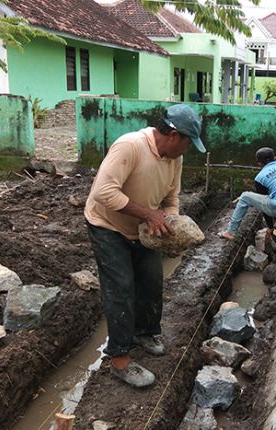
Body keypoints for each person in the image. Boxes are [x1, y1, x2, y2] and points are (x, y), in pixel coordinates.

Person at [84, 104, 206, 387]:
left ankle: (145, 332)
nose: (187, 150)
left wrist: (172, 225)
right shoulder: (130, 146)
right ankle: (119, 359)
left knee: (151, 280)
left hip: (142, 230)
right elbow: (103, 192)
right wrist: (149, 215)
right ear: (174, 135)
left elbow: (171, 199)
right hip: (108, 227)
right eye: (188, 143)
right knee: (121, 288)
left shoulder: (174, 159)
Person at [219, 147, 276, 240]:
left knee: (245, 196)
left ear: (259, 163)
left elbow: (264, 205)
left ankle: (230, 232)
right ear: (274, 158)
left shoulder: (260, 177)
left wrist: (270, 227)